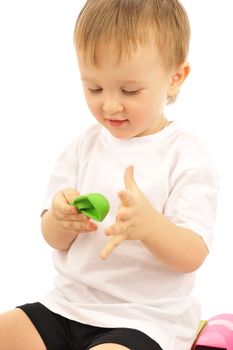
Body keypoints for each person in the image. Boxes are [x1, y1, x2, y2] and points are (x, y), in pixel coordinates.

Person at [0, 0, 218, 349]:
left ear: (175, 77)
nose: (110, 105)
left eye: (130, 91)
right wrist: (60, 219)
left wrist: (150, 227)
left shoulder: (185, 155)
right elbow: (53, 238)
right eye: (94, 88)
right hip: (69, 306)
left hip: (145, 320)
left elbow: (193, 254)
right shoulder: (82, 147)